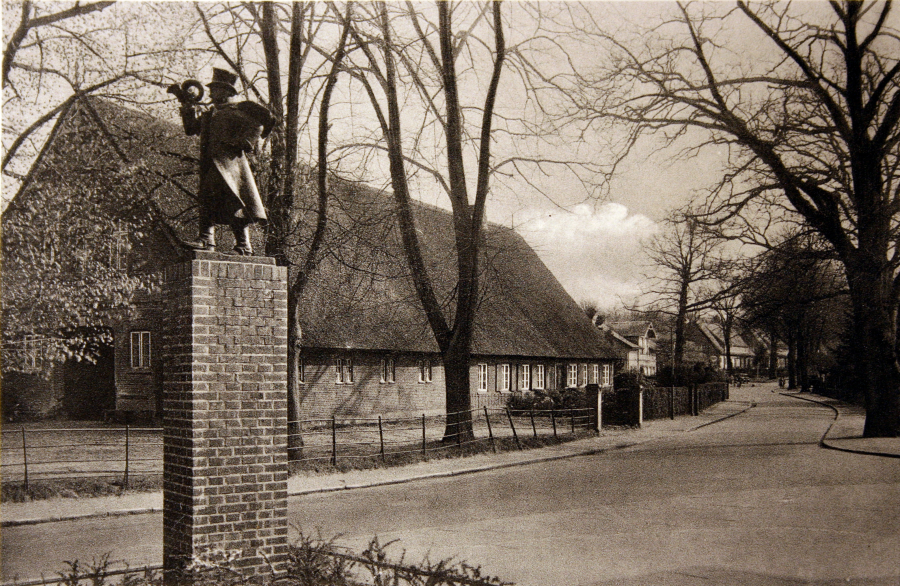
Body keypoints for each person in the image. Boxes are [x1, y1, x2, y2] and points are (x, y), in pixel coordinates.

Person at [176, 68, 275, 255]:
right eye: (211, 89)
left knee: (231, 201)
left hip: (231, 164)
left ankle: (232, 243)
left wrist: (244, 142)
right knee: (217, 199)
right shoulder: (210, 114)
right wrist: (187, 105)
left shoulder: (235, 111)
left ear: (227, 92)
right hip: (211, 163)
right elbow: (190, 129)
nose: (211, 93)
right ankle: (215, 241)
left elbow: (258, 125)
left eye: (215, 89)